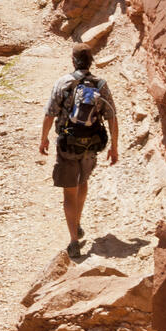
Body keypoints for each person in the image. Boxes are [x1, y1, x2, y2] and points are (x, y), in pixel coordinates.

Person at [39, 43, 118, 256]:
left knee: (69, 192)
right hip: (92, 144)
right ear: (91, 61)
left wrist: (44, 139)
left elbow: (50, 114)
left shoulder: (64, 83)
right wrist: (114, 147)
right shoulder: (101, 85)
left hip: (68, 144)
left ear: (73, 60)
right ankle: (78, 222)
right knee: (82, 182)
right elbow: (112, 117)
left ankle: (74, 240)